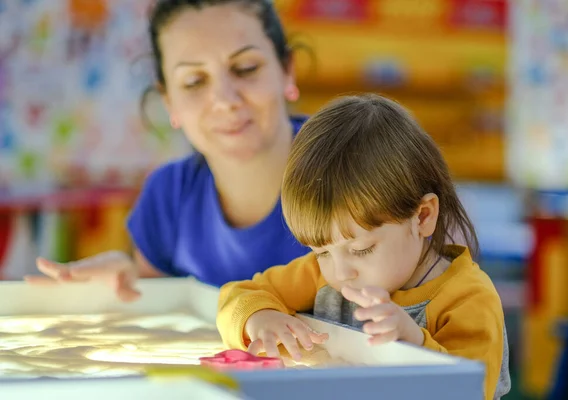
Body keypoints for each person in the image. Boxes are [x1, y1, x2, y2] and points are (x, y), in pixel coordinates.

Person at [217, 94, 511, 399]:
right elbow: (237, 296)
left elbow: (470, 391)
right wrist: (259, 319)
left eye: (361, 250)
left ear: (422, 217)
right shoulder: (322, 275)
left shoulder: (467, 299)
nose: (340, 273)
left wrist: (414, 345)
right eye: (322, 252)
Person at [24, 0, 310, 300]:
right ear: (169, 101)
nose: (225, 99)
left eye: (245, 68)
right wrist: (127, 281)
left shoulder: (354, 166)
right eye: (194, 81)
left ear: (287, 70)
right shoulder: (168, 196)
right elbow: (154, 298)